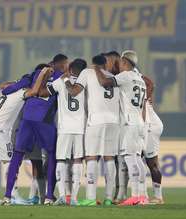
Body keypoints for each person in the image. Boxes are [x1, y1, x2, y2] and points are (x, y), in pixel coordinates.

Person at [1, 54, 68, 206]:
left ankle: (7, 197)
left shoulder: (33, 74)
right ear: (62, 65)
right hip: (45, 122)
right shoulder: (63, 78)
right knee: (52, 156)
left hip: (27, 120)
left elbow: (14, 87)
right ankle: (49, 197)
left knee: (17, 157)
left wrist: (5, 91)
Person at [26, 58, 88, 206]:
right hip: (80, 128)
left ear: (71, 68)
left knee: (61, 160)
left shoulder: (61, 81)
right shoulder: (85, 82)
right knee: (78, 160)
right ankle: (73, 197)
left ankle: (61, 195)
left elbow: (41, 93)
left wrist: (41, 80)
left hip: (65, 128)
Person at [63, 55, 120, 206]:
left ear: (93, 64)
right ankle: (108, 197)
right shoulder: (112, 77)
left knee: (91, 157)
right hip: (114, 121)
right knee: (109, 158)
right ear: (106, 64)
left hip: (96, 121)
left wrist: (66, 80)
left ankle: (90, 198)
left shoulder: (87, 72)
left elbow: (74, 92)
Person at [94, 50, 148, 205]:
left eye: (121, 62)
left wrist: (97, 69)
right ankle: (142, 195)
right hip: (139, 121)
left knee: (130, 158)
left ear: (125, 62)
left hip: (129, 122)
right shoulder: (140, 79)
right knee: (137, 158)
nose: (119, 64)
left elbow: (105, 83)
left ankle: (135, 196)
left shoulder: (125, 76)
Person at [141, 75, 164, 204]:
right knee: (139, 161)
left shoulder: (134, 76)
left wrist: (145, 97)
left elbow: (151, 84)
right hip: (148, 123)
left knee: (149, 163)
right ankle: (145, 195)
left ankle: (156, 197)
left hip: (150, 125)